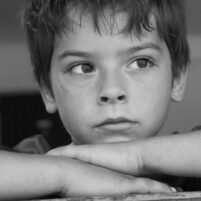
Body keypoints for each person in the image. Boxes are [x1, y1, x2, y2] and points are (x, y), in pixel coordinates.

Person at [0, 0, 197, 199]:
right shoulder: (29, 161)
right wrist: (66, 176)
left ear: (177, 77)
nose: (112, 90)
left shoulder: (188, 167)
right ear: (48, 90)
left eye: (141, 62)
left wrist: (137, 158)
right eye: (83, 68)